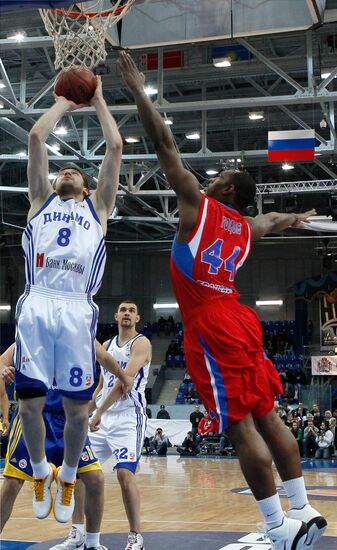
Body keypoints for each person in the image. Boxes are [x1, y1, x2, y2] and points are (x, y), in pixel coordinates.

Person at [118, 51, 327, 549]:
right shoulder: (247, 228)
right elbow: (270, 221)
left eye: (220, 177)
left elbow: (163, 142)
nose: (211, 178)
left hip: (209, 322)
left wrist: (137, 89)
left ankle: (278, 527)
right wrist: (293, 219)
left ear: (227, 188)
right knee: (268, 413)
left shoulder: (197, 203)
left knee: (237, 425)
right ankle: (302, 507)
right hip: (241, 315)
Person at [13, 75, 131, 524]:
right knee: (30, 403)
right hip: (38, 302)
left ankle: (67, 475)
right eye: (62, 169)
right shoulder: (40, 199)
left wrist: (99, 100)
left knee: (77, 409)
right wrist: (63, 101)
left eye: (74, 172)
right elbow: (37, 135)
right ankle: (41, 470)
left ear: (85, 187)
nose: (66, 170)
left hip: (77, 305)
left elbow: (115, 148)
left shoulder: (98, 208)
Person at [0, 342, 128, 550]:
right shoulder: (32, 332)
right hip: (34, 415)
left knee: (94, 478)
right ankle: (44, 476)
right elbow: (2, 360)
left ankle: (91, 542)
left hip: (70, 417)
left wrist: (124, 377)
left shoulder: (79, 331)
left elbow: (104, 358)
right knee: (13, 483)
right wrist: (4, 370)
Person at [61, 300, 151, 550]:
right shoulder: (108, 345)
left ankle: (135, 536)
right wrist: (85, 413)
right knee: (80, 471)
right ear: (115, 315)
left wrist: (98, 412)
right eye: (123, 310)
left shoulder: (141, 343)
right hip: (103, 416)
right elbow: (102, 386)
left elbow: (124, 383)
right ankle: (77, 532)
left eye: (132, 310)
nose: (127, 313)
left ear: (137, 318)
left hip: (128, 418)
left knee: (124, 474)